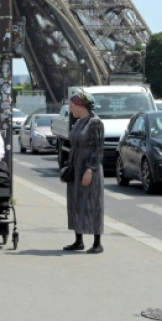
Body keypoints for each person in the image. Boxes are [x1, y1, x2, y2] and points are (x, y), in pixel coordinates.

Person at [63, 90, 105, 254]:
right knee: (75, 203)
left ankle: (97, 242)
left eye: (72, 104)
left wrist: (91, 169)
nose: (70, 107)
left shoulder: (95, 123)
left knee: (93, 203)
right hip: (76, 168)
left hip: (89, 168)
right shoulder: (79, 122)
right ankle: (78, 240)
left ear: (81, 105)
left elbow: (98, 149)